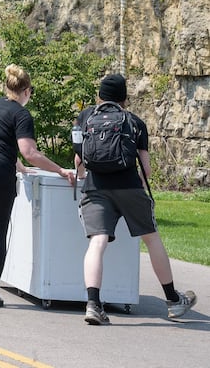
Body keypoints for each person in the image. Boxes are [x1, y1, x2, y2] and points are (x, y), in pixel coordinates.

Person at [73, 74, 196, 325]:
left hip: (95, 188)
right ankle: (173, 301)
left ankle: (93, 305)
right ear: (124, 98)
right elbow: (146, 170)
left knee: (97, 243)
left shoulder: (84, 118)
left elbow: (79, 160)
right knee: (151, 239)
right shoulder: (135, 122)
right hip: (129, 186)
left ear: (99, 95)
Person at [0, 64, 75, 308]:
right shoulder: (22, 114)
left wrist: (17, 166)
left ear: (6, 87)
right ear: (27, 91)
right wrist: (60, 170)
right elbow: (29, 152)